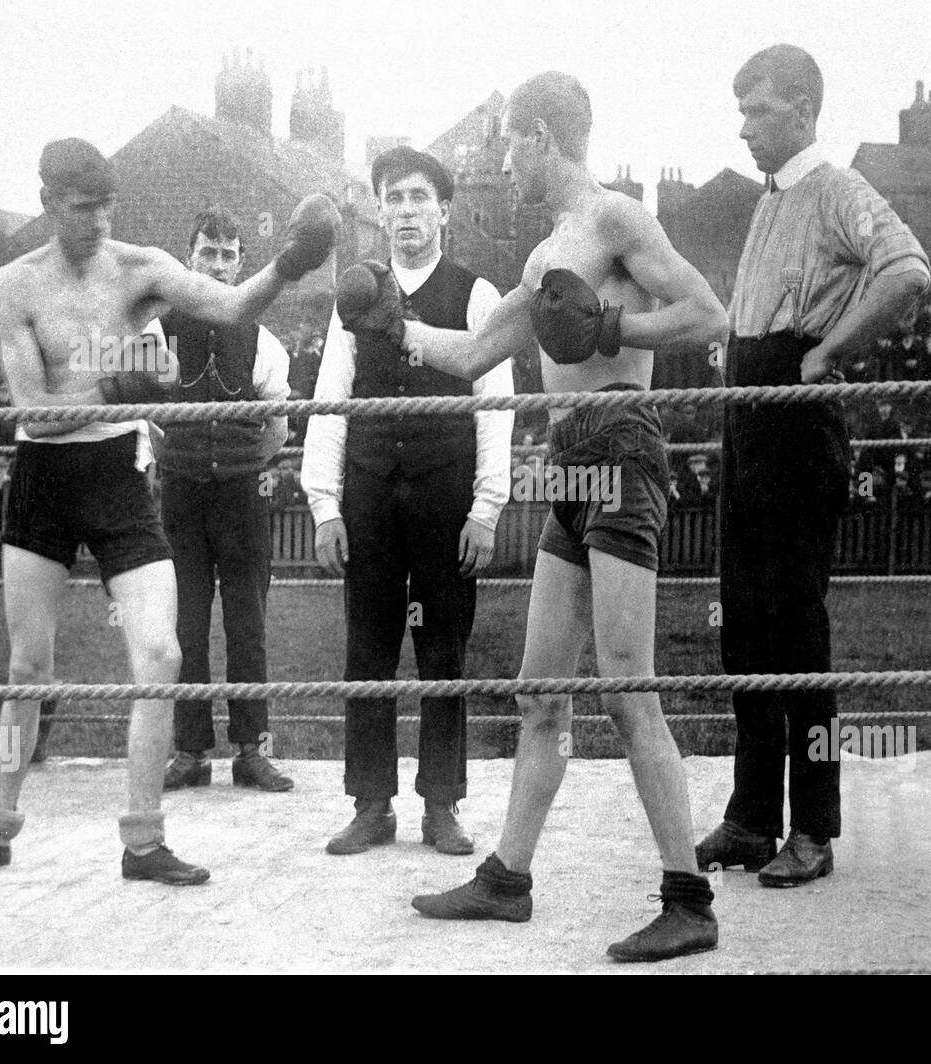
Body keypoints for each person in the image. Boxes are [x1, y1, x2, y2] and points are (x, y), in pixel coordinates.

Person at [339, 72, 727, 961]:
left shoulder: (616, 221)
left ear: (542, 136)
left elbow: (709, 312)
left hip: (625, 448)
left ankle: (689, 899)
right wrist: (390, 327)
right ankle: (507, 876)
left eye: (509, 143)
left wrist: (609, 328)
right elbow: (476, 351)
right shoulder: (546, 250)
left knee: (629, 689)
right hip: (569, 462)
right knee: (539, 689)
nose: (500, 162)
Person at [0, 138, 338, 882]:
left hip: (119, 475)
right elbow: (34, 408)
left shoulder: (139, 268)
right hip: (43, 479)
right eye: (81, 208)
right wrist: (118, 383)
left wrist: (289, 261)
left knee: (160, 654)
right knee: (27, 666)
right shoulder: (11, 286)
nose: (96, 221)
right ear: (49, 203)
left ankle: (144, 839)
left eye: (104, 207)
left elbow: (230, 303)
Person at [695, 45, 929, 888]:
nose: (746, 126)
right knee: (746, 628)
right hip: (747, 425)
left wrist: (830, 352)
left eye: (759, 110)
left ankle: (815, 830)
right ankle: (753, 818)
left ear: (802, 108)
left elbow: (906, 270)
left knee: (796, 631)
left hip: (797, 427)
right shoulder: (772, 198)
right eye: (742, 110)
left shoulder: (835, 187)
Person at [303, 147, 514, 856]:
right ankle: (370, 803)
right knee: (367, 645)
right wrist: (325, 504)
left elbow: (497, 405)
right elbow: (330, 399)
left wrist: (487, 508)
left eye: (419, 198)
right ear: (380, 211)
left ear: (444, 210)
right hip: (368, 492)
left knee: (443, 647)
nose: (405, 213)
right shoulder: (357, 294)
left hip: (444, 495)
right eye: (393, 199)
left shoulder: (476, 294)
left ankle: (442, 804)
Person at [153, 206, 295, 794]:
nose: (216, 264)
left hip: (242, 499)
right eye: (207, 252)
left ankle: (250, 752)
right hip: (181, 499)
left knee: (248, 623)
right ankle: (189, 752)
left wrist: (237, 466)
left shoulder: (263, 338)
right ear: (189, 257)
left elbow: (279, 428)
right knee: (184, 622)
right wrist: (179, 459)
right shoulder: (155, 334)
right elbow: (140, 419)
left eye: (228, 254)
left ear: (241, 264)